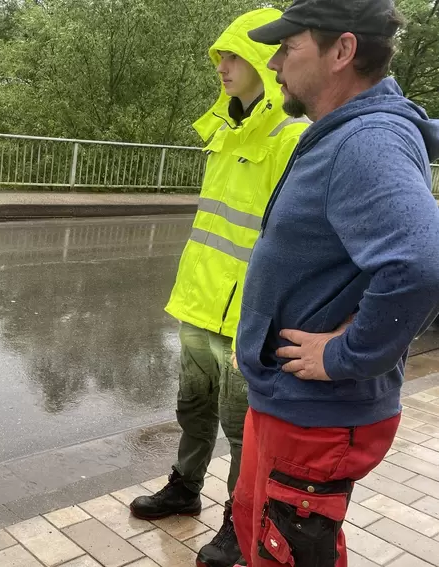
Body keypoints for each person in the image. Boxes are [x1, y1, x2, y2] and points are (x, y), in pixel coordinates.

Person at [232, 0, 439, 565]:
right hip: (292, 404)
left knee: (289, 551)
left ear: (342, 51)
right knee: (262, 538)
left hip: (317, 413)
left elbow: (421, 263)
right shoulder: (349, 131)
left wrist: (348, 353)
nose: (273, 63)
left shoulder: (364, 141)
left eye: (288, 46)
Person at [130, 8, 310, 567]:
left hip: (246, 317)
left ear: (262, 59)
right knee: (193, 408)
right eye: (218, 57)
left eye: (232, 56)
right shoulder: (225, 128)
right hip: (199, 302)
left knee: (241, 429)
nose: (222, 68)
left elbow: (291, 242)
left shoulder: (291, 136)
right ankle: (185, 488)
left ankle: (241, 520)